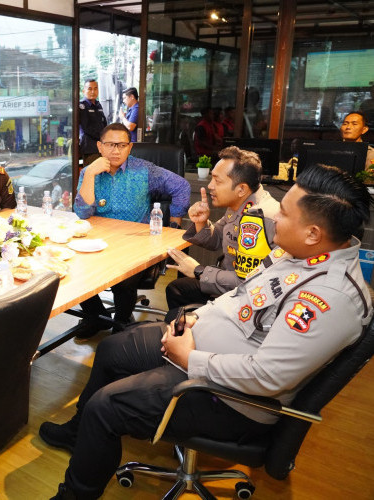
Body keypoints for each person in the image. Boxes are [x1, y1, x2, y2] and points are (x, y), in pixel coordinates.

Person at [42, 163, 373, 500]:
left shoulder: (329, 297)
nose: (275, 219)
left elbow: (268, 377)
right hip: (203, 346)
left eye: (284, 213)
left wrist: (190, 357)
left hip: (233, 398)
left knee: (106, 406)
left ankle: (75, 494)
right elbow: (242, 293)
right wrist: (196, 319)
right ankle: (78, 433)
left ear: (313, 232)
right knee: (113, 349)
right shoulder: (299, 252)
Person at [73, 123, 190, 337]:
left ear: (130, 147)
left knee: (124, 280)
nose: (115, 150)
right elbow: (82, 213)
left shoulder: (144, 170)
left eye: (122, 145)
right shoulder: (90, 171)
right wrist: (89, 174)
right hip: (100, 242)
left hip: (135, 245)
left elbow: (182, 186)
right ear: (100, 146)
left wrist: (174, 226)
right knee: (71, 266)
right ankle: (96, 316)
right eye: (110, 145)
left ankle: (121, 321)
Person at [165, 146, 279, 311]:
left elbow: (247, 282)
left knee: (178, 292)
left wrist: (199, 271)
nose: (210, 186)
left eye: (217, 181)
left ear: (241, 189)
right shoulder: (240, 203)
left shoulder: (256, 219)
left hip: (249, 300)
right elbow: (217, 239)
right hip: (232, 283)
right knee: (177, 289)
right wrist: (202, 223)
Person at [79, 79, 107, 167]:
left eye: (95, 89)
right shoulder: (82, 106)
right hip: (90, 148)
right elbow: (87, 128)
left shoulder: (98, 105)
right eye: (90, 89)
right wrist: (103, 137)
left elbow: (104, 123)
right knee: (92, 174)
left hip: (101, 147)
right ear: (84, 91)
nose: (93, 91)